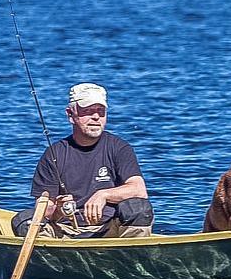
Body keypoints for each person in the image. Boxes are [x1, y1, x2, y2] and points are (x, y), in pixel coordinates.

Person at [12, 83, 153, 238]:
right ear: (70, 115)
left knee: (138, 207)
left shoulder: (119, 147)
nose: (95, 117)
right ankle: (51, 258)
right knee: (23, 220)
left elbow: (139, 190)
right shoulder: (54, 153)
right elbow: (43, 209)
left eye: (101, 112)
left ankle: (131, 258)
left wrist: (103, 195)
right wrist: (58, 211)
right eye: (88, 111)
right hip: (64, 232)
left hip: (110, 231)